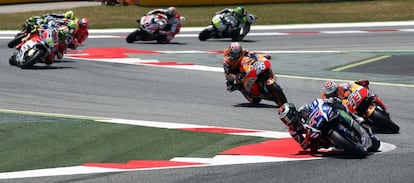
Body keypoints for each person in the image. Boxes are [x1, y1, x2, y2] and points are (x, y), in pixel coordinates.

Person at [278, 100, 379, 154]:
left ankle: (359, 122)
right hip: (317, 134)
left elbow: (317, 103)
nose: (287, 121)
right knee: (321, 146)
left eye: (287, 118)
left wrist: (326, 101)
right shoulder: (293, 131)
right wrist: (310, 140)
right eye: (284, 120)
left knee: (340, 108)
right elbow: (304, 145)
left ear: (292, 112)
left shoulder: (303, 109)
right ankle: (344, 144)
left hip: (325, 118)